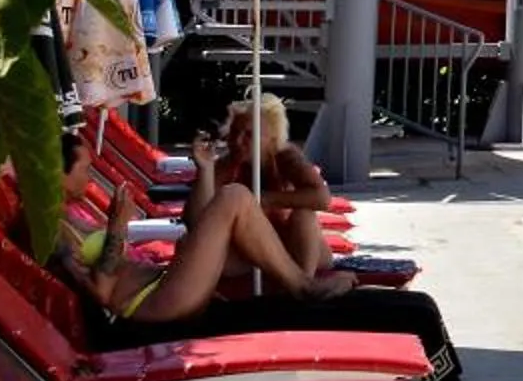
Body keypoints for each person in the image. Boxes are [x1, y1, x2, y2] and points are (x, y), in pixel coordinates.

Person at [51, 126, 354, 326]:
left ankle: (298, 281)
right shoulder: (52, 232)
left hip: (161, 285)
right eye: (85, 169)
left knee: (240, 215)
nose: (90, 179)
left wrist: (206, 168)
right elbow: (99, 295)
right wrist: (117, 227)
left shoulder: (66, 216)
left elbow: (193, 222)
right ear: (58, 171)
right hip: (151, 302)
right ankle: (304, 287)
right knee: (233, 198)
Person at [220, 92, 339, 276]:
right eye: (234, 132)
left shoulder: (285, 157)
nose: (238, 141)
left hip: (293, 246)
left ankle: (303, 285)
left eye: (249, 135)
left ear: (272, 139)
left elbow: (322, 198)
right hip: (254, 250)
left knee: (304, 215)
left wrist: (265, 199)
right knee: (192, 245)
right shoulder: (228, 163)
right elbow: (194, 218)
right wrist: (204, 171)